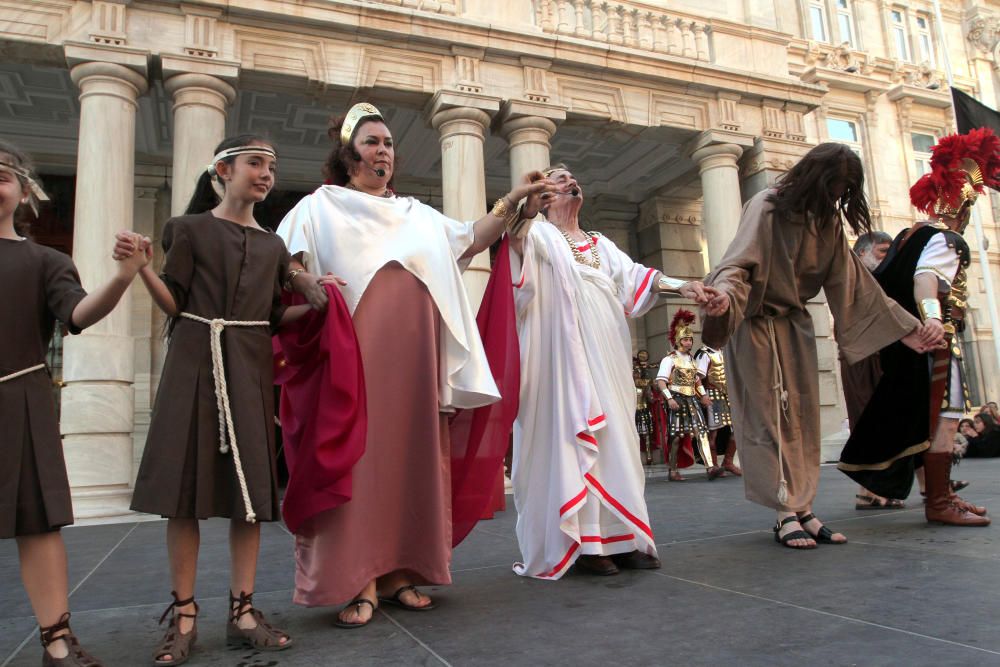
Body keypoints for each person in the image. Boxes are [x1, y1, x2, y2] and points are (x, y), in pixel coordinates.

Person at [275, 103, 554, 625]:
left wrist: (515, 198)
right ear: (348, 152)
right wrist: (303, 280)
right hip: (354, 360)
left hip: (417, 362)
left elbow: (472, 237)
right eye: (372, 142)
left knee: (411, 456)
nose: (384, 151)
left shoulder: (417, 214)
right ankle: (357, 577)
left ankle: (402, 570)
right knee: (361, 459)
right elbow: (285, 259)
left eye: (388, 144)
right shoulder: (320, 206)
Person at [121, 136, 306, 664]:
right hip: (193, 364)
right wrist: (142, 270)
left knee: (247, 500)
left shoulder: (272, 246)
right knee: (184, 495)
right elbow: (174, 303)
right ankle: (184, 616)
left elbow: (271, 317)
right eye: (255, 164)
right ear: (223, 171)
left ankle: (243, 612)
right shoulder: (189, 229)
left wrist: (323, 303)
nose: (266, 174)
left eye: (271, 166)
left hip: (247, 370)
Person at [702, 142, 937, 549]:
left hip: (794, 326)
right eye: (834, 185)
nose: (837, 196)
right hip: (754, 324)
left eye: (845, 189)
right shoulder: (768, 205)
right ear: (814, 177)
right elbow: (737, 263)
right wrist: (723, 297)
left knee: (803, 420)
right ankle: (783, 513)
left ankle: (804, 508)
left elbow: (852, 281)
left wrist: (906, 327)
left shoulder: (826, 218)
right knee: (768, 419)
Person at [508, 163, 717, 578]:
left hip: (609, 351)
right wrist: (525, 206)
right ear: (546, 194)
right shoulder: (539, 234)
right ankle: (586, 544)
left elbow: (642, 277)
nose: (570, 180)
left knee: (617, 438)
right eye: (558, 176)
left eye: (572, 176)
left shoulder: (601, 244)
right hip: (562, 358)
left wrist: (686, 287)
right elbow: (513, 241)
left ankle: (623, 538)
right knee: (577, 436)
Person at [1, 140, 148, 666]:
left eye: (1, 174)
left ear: (23, 192)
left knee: (38, 526)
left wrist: (124, 277)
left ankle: (56, 640)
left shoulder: (45, 260)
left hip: (21, 400)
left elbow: (80, 315)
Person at [839, 128, 998, 527]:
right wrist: (932, 318)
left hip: (905, 347)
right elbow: (926, 280)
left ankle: (940, 497)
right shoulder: (947, 240)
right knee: (946, 419)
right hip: (935, 342)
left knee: (928, 420)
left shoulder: (910, 235)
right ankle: (940, 503)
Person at [838, 232, 906, 510]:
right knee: (866, 417)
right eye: (881, 252)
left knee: (884, 419)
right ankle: (868, 490)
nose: (886, 257)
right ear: (862, 252)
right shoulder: (849, 277)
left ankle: (877, 488)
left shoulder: (881, 279)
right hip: (860, 356)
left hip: (881, 355)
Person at [656, 310, 715, 481]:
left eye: (690, 339)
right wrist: (669, 398)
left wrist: (703, 395)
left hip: (692, 399)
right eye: (686, 339)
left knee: (701, 431)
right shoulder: (670, 359)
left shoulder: (691, 360)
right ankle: (673, 470)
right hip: (677, 399)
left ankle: (710, 467)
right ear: (678, 341)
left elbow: (696, 381)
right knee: (676, 436)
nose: (689, 342)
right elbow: (661, 381)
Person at [694, 341, 741, 477]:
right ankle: (713, 465)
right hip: (712, 394)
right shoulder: (704, 353)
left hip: (727, 394)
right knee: (713, 432)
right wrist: (702, 395)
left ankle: (728, 461)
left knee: (736, 428)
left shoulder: (725, 351)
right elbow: (697, 377)